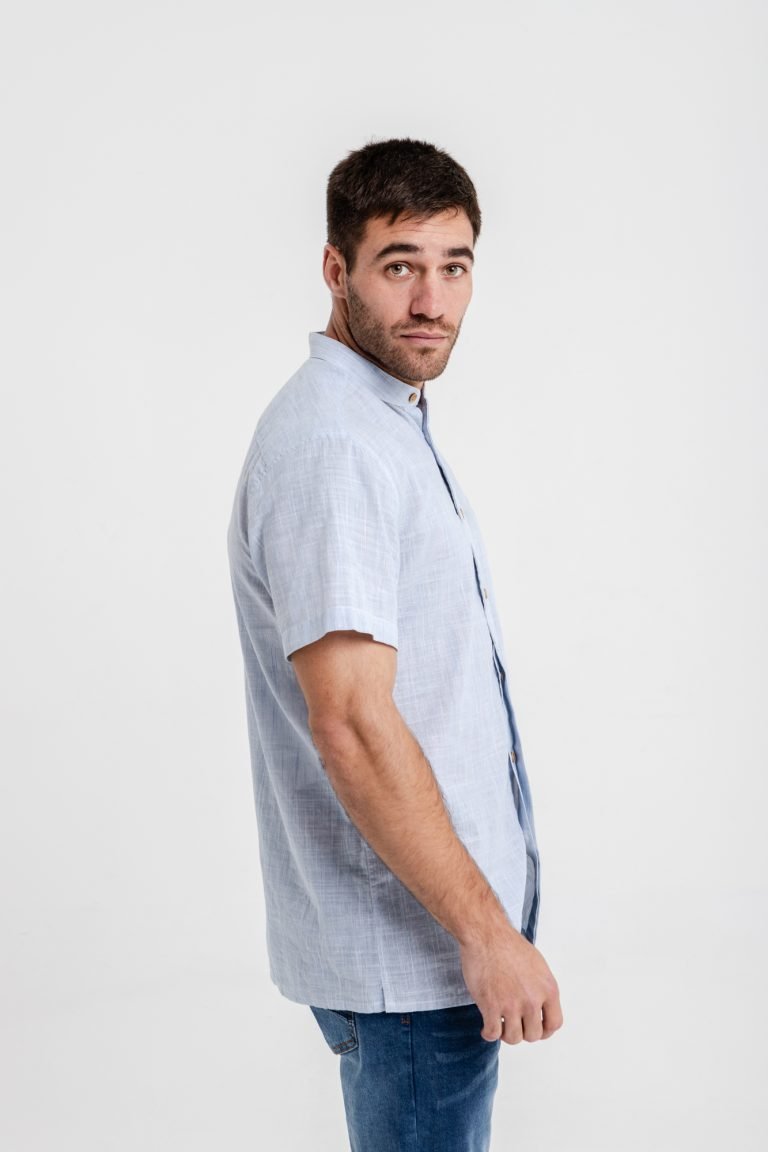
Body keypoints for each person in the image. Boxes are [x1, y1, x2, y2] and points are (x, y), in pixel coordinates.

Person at [227, 137, 563, 1151]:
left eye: (454, 266)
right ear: (337, 270)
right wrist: (486, 934)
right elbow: (353, 725)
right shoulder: (336, 445)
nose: (431, 300)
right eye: (400, 264)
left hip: (425, 955)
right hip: (416, 965)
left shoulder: (383, 421)